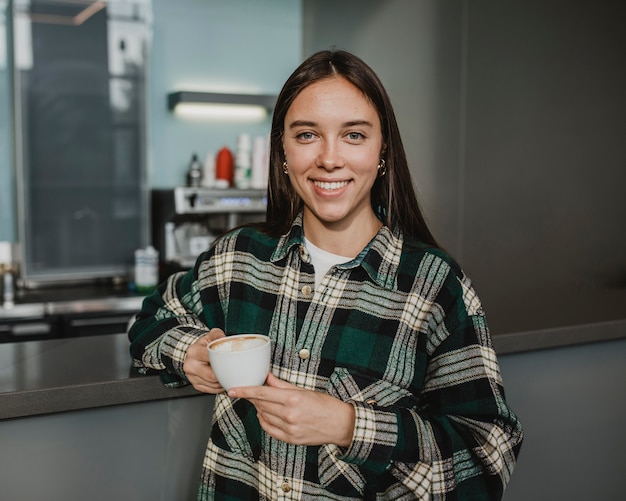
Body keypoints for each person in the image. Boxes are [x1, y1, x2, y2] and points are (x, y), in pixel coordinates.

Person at [128, 49, 523, 500]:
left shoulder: (433, 286)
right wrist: (191, 353)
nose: (329, 159)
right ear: (282, 151)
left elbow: (490, 453)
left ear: (382, 151)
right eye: (307, 135)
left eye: (353, 135)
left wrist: (348, 425)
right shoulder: (237, 259)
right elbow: (151, 321)